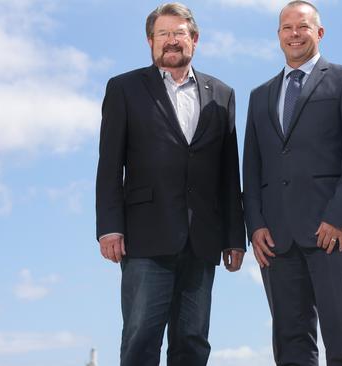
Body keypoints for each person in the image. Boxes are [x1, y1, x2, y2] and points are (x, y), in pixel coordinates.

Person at [95, 3, 245, 366]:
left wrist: (234, 237)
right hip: (145, 237)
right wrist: (109, 227)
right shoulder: (124, 88)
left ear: (194, 39)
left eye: (179, 33)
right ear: (150, 42)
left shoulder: (222, 93)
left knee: (193, 342)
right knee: (141, 337)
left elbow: (229, 172)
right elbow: (110, 164)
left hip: (203, 238)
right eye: (163, 34)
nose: (171, 41)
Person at [242, 1, 342, 365]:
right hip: (277, 241)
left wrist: (338, 217)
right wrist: (255, 226)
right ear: (278, 36)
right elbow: (251, 170)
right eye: (286, 28)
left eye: (302, 27)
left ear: (319, 32)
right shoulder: (260, 97)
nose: (294, 34)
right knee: (289, 342)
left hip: (330, 233)